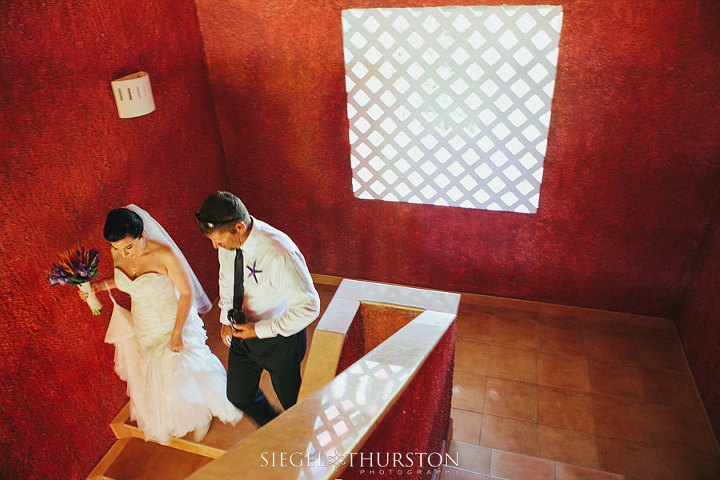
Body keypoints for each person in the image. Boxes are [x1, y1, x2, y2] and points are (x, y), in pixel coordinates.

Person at [80, 205, 241, 444]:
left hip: (173, 319)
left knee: (186, 370)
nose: (123, 254)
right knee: (161, 377)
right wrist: (101, 285)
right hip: (144, 323)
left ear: (142, 236)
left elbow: (186, 293)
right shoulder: (118, 254)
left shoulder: (165, 255)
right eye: (116, 248)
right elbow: (128, 280)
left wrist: (177, 333)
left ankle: (205, 411)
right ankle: (190, 413)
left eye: (128, 247)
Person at [196, 192, 320, 426]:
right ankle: (274, 428)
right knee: (238, 395)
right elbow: (227, 278)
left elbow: (309, 308)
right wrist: (225, 319)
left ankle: (306, 441)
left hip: (280, 339)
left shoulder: (279, 253)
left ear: (239, 227)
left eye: (218, 241)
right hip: (241, 333)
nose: (215, 247)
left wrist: (260, 330)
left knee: (292, 401)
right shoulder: (228, 244)